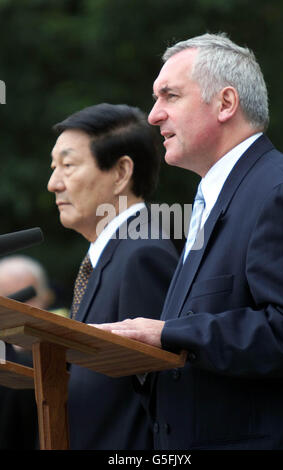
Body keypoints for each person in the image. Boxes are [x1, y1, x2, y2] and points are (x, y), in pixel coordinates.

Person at [93, 33, 283, 450]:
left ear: (225, 104)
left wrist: (170, 334)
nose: (153, 116)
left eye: (169, 96)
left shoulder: (279, 190)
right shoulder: (217, 196)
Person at [47, 103, 178, 450]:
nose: (52, 183)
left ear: (121, 172)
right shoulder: (110, 253)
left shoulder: (143, 253)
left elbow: (161, 393)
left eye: (68, 166)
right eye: (53, 167)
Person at [0, 255, 53, 449]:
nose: (19, 309)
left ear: (46, 296)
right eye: (8, 299)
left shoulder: (68, 353)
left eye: (26, 297)